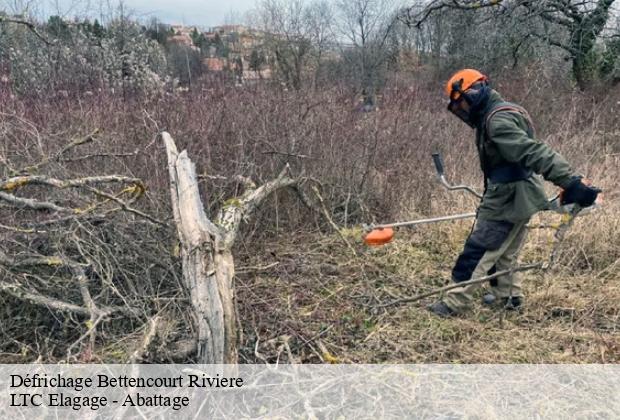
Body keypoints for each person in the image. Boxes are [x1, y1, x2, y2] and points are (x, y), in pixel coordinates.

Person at [428, 69, 600, 317]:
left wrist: (571, 182)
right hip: (521, 194)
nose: (462, 109)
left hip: (508, 197)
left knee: (479, 249)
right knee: (505, 252)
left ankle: (454, 303)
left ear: (474, 92)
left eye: (462, 102)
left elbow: (533, 152)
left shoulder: (497, 121)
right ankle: (509, 297)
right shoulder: (503, 110)